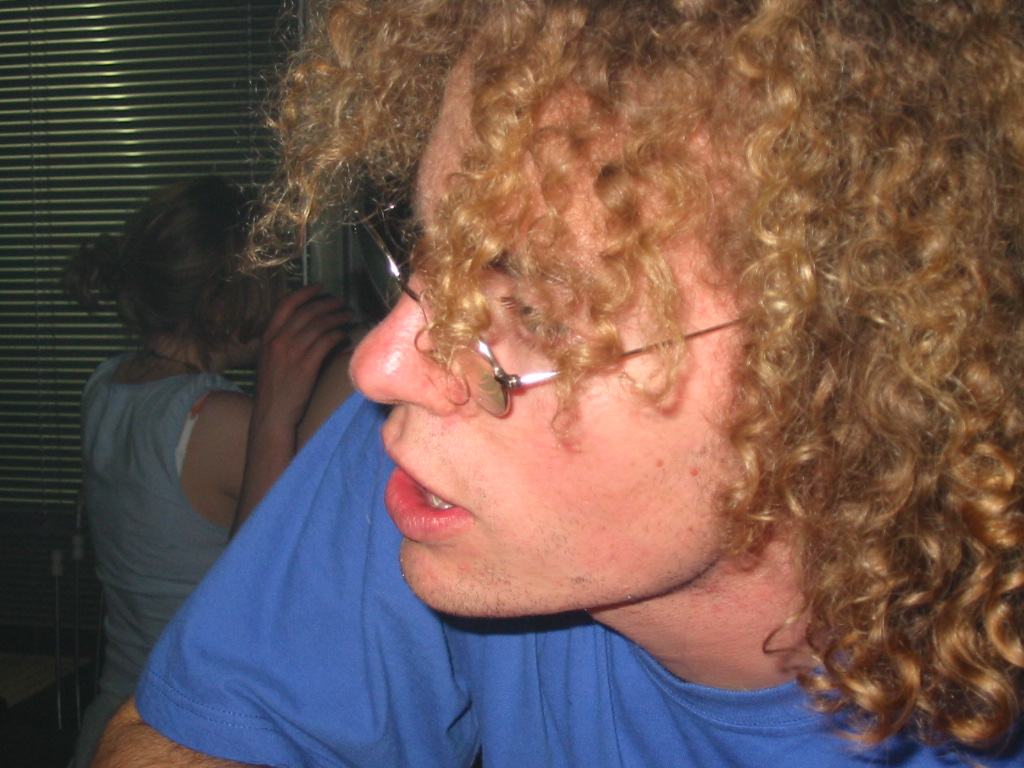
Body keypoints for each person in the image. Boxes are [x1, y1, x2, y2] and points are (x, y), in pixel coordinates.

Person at [94, 2, 1024, 766]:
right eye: (426, 254)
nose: (381, 364)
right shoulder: (430, 473)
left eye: (535, 310)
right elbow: (185, 735)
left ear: (842, 373)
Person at [66, 175, 348, 767]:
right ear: (223, 304)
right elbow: (264, 582)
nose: (280, 295)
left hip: (115, 716)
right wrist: (282, 406)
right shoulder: (219, 421)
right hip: (185, 731)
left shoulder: (106, 383)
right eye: (271, 280)